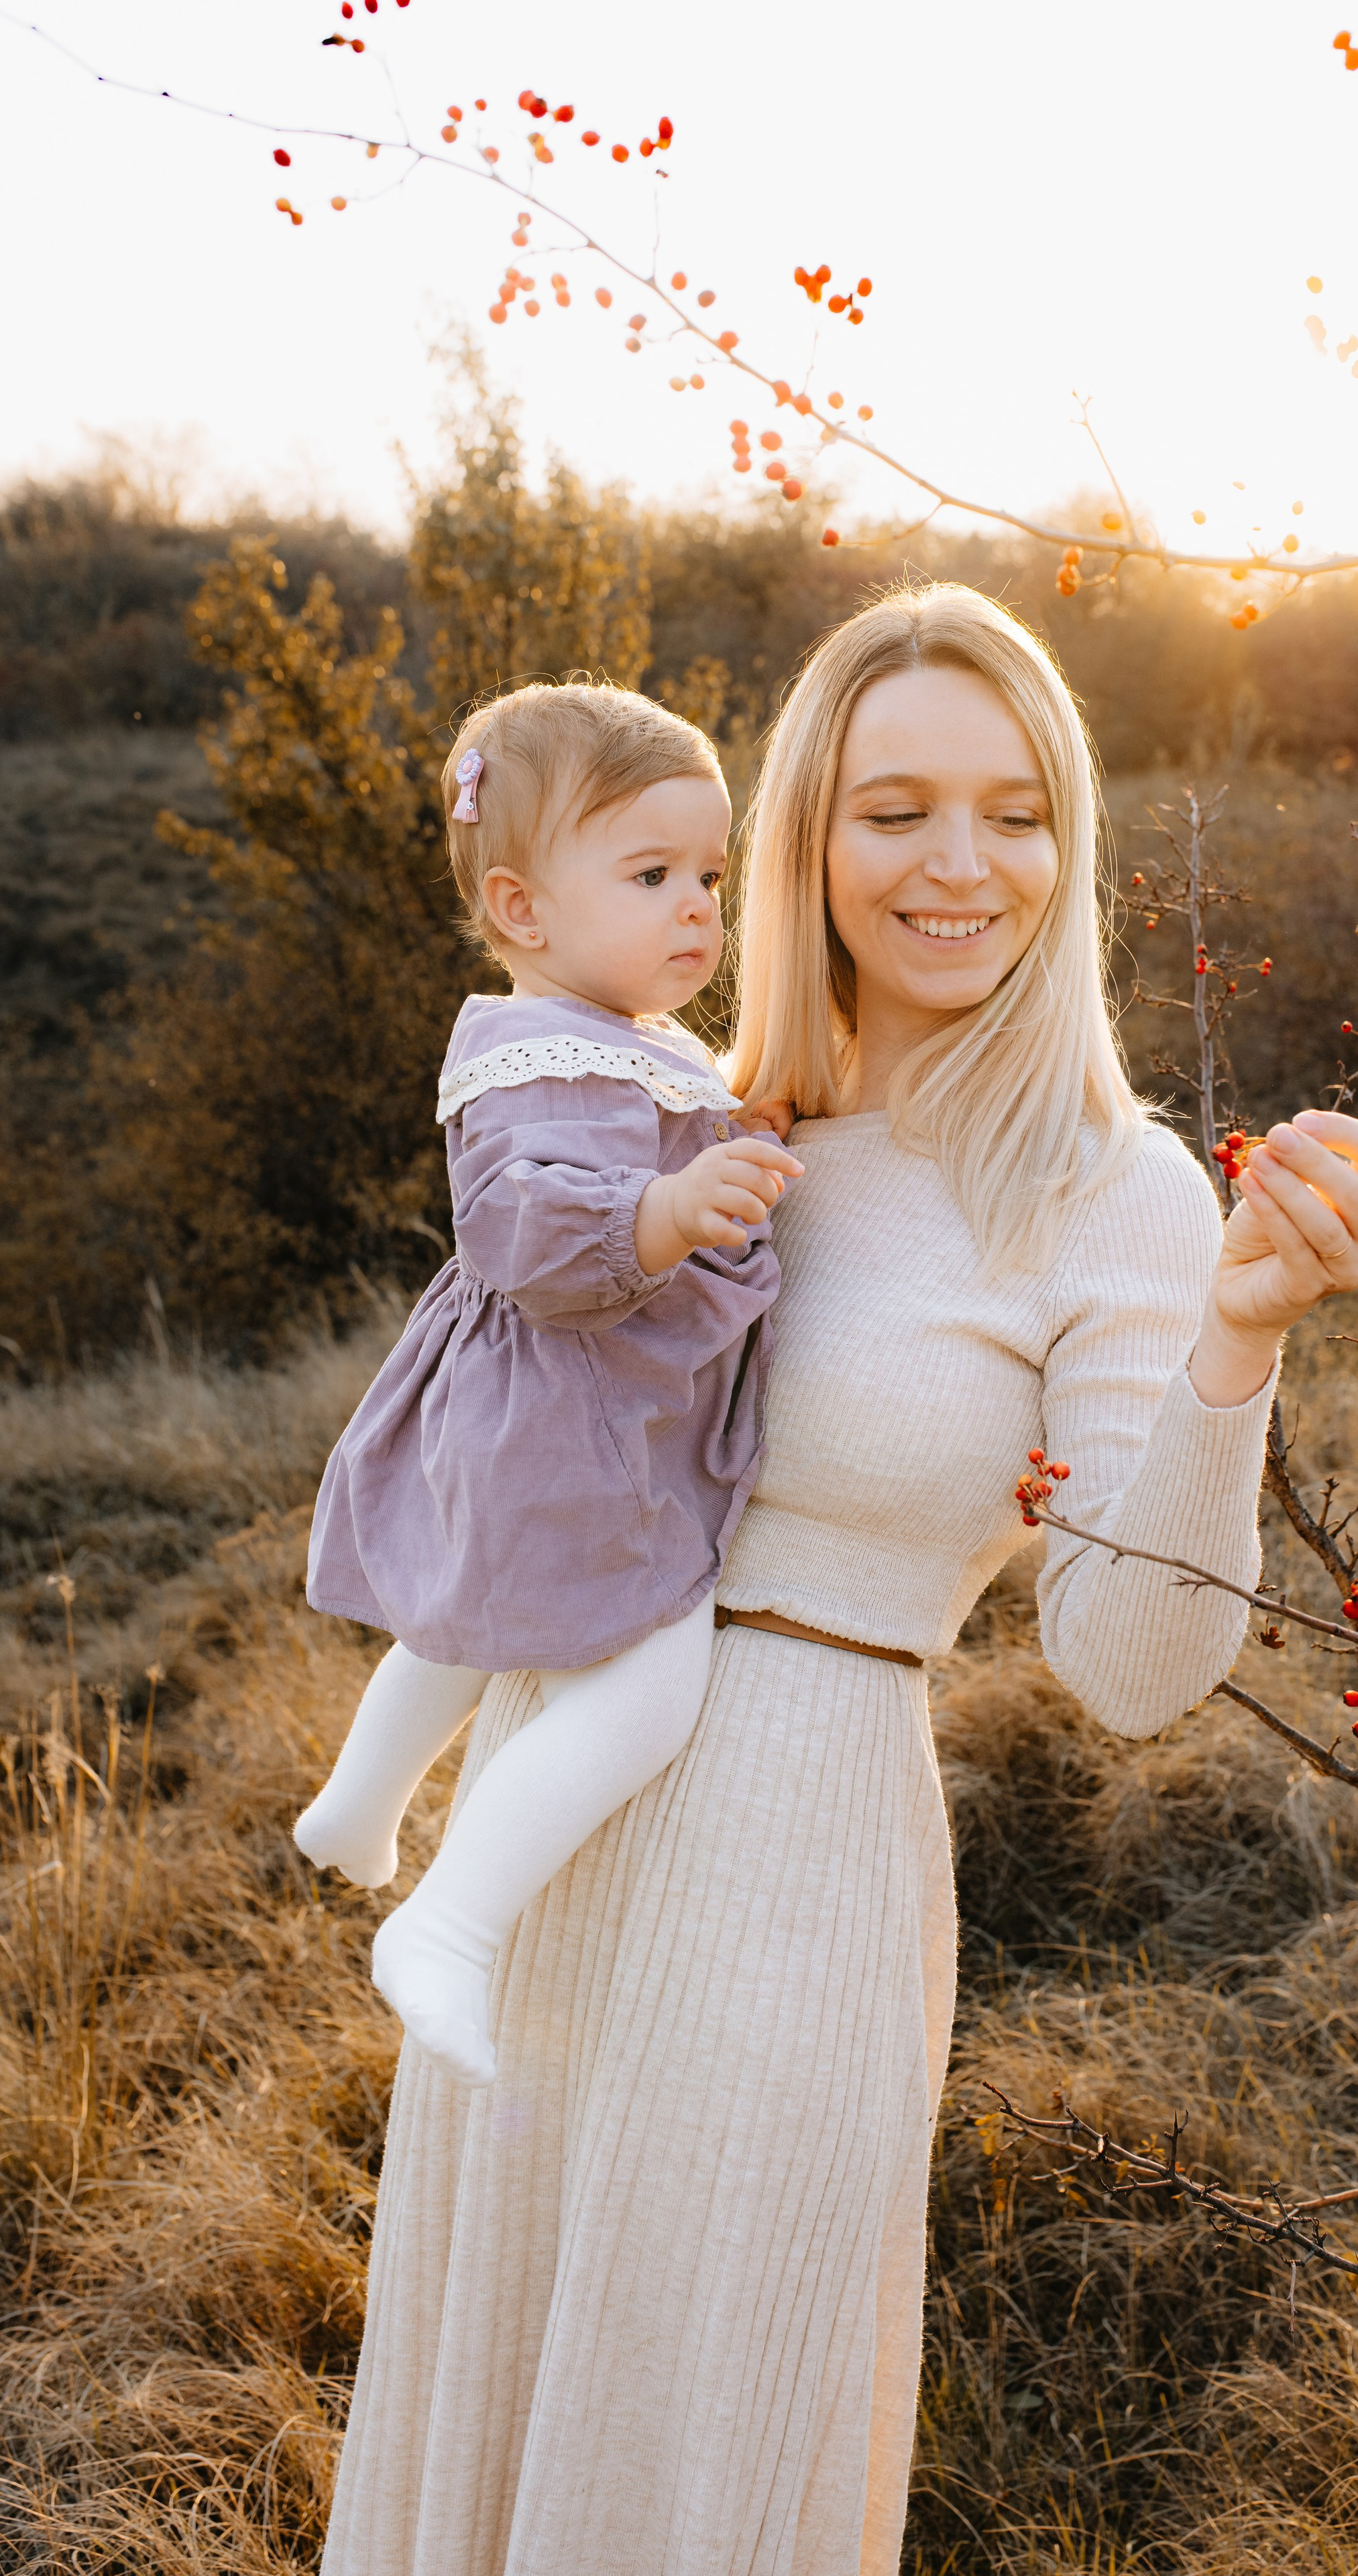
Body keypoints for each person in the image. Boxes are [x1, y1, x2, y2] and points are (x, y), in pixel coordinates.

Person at [320, 585, 1358, 2576]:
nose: (961, 865)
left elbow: (1137, 1669)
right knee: (487, 2429)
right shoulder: (696, 1113)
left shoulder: (1111, 1186)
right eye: (896, 807)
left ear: (1068, 846)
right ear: (805, 834)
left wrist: (1234, 1345)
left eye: (1015, 811)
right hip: (551, 1836)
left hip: (794, 1870)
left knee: (692, 2450)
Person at [296, 680, 799, 2086]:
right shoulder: (537, 1056)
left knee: (472, 1615)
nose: (695, 907)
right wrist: (665, 1209)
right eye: (649, 876)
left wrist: (716, 1141)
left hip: (541, 1411)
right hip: (575, 1416)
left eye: (707, 873)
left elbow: (649, 1133)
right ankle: (448, 1925)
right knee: (650, 1680)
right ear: (521, 909)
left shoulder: (619, 1034)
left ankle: (356, 1804)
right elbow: (521, 1228)